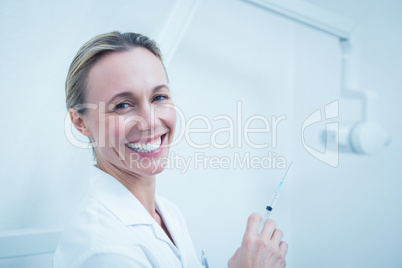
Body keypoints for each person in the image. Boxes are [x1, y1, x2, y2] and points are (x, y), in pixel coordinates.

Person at [53, 31, 288, 268]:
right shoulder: (103, 250)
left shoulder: (167, 213)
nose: (151, 121)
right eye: (123, 105)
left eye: (158, 97)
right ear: (80, 122)